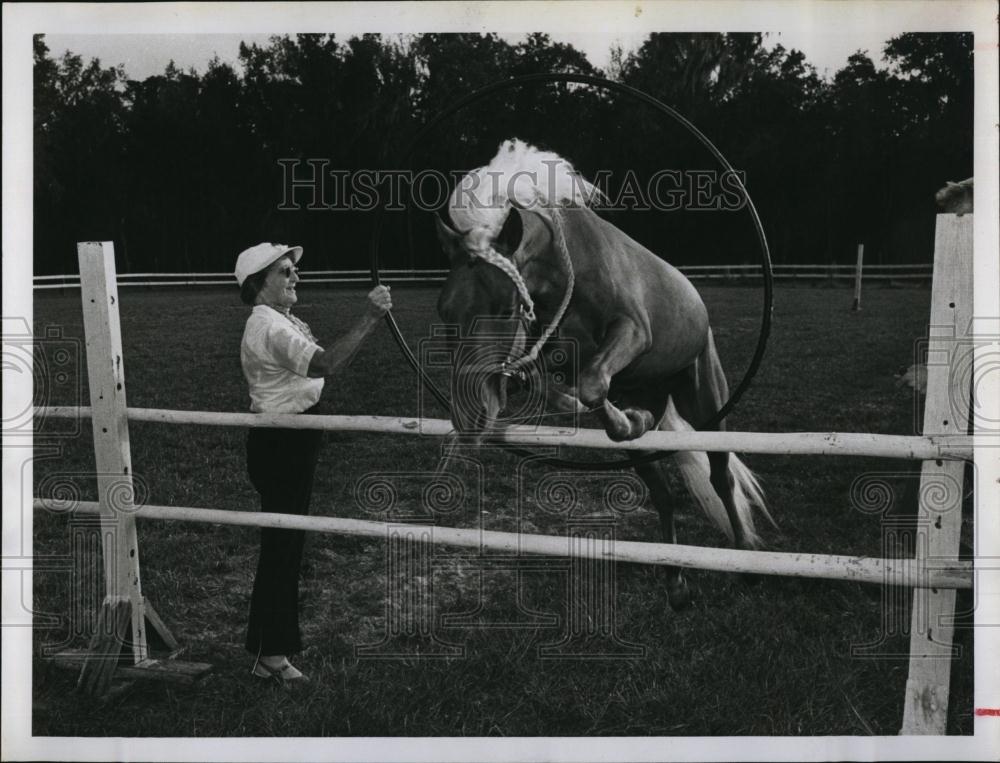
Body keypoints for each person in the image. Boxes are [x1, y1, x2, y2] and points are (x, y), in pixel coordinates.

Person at [234, 242, 391, 682]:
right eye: (284, 272)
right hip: (283, 441)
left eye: (292, 270)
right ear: (258, 285)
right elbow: (327, 362)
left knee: (285, 544)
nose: (295, 277)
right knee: (282, 546)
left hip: (293, 436)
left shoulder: (277, 320)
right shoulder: (269, 327)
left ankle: (269, 648)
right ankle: (271, 656)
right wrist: (370, 317)